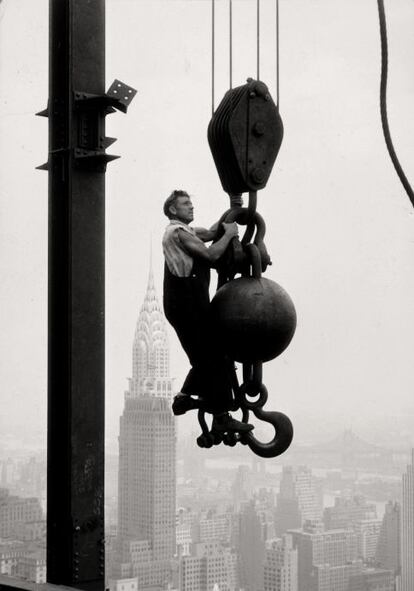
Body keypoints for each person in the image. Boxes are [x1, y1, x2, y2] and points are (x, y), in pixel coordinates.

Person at [162, 189, 253, 434]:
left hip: (193, 304)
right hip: (186, 305)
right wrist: (231, 234)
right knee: (211, 357)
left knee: (211, 356)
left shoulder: (189, 232)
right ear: (173, 209)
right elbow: (212, 256)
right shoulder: (177, 232)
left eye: (191, 202)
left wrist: (230, 215)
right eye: (185, 204)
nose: (191, 207)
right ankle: (215, 412)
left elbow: (212, 233)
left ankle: (193, 402)